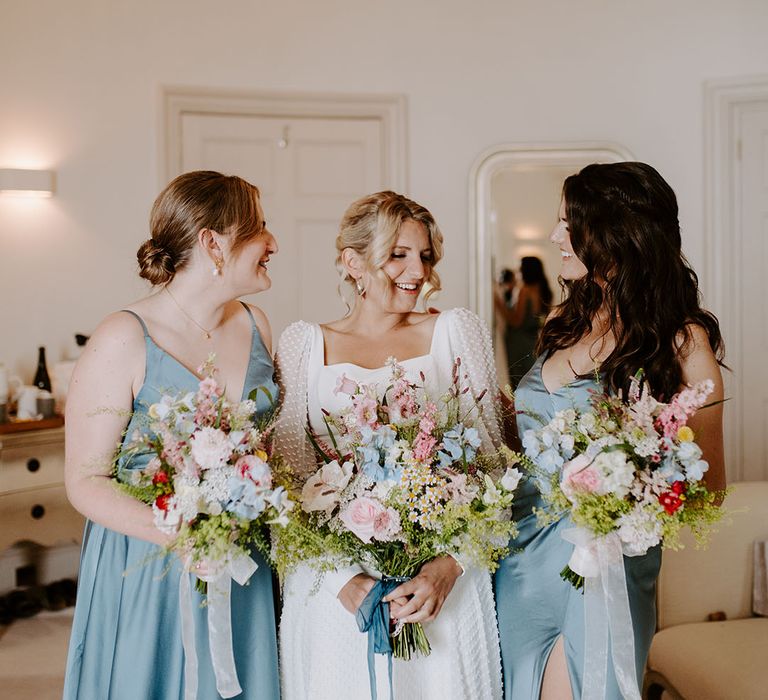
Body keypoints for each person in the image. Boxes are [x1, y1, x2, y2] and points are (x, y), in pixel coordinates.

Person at [494, 162, 726, 700]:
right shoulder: (562, 320)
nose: (555, 236)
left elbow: (708, 491)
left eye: (565, 224)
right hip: (519, 554)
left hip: (601, 567)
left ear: (615, 234)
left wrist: (628, 486)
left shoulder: (682, 341)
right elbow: (528, 431)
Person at [275, 191, 504, 699]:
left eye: (425, 255)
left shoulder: (455, 332)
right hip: (334, 592)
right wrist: (340, 578)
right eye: (398, 254)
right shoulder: (303, 344)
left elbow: (492, 471)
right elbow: (286, 485)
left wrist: (450, 568)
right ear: (352, 262)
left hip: (441, 589)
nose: (417, 270)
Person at [63, 171, 281, 699]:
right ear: (213, 243)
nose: (273, 244)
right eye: (259, 230)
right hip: (150, 567)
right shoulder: (123, 337)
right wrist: (180, 535)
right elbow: (85, 481)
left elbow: (267, 448)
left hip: (241, 560)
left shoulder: (256, 324)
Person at [494, 256, 553, 388]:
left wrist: (499, 304)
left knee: (518, 379)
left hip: (517, 342)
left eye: (520, 267)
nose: (518, 271)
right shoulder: (543, 290)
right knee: (531, 379)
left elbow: (516, 321)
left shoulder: (524, 290)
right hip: (533, 341)